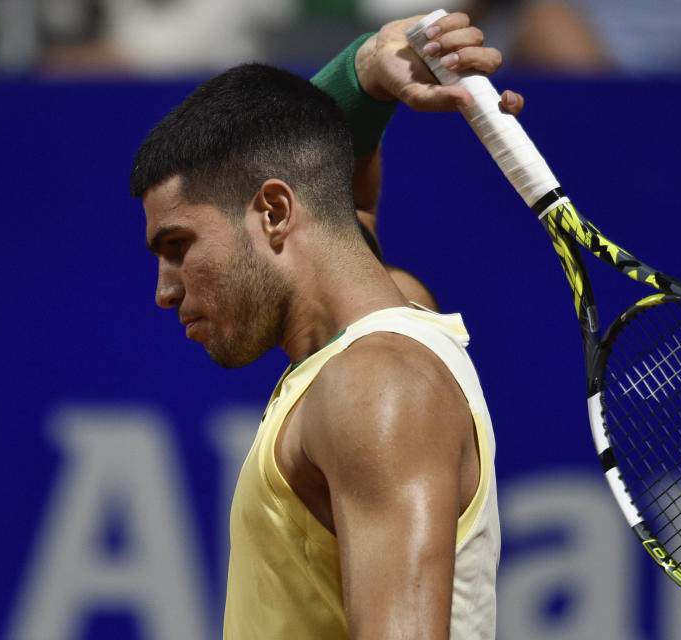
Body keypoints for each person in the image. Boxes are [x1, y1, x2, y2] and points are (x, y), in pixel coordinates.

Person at [129, 12, 523, 639]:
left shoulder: (376, 387)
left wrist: (362, 76)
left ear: (275, 211)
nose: (165, 290)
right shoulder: (390, 315)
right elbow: (338, 197)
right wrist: (365, 69)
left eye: (178, 244)